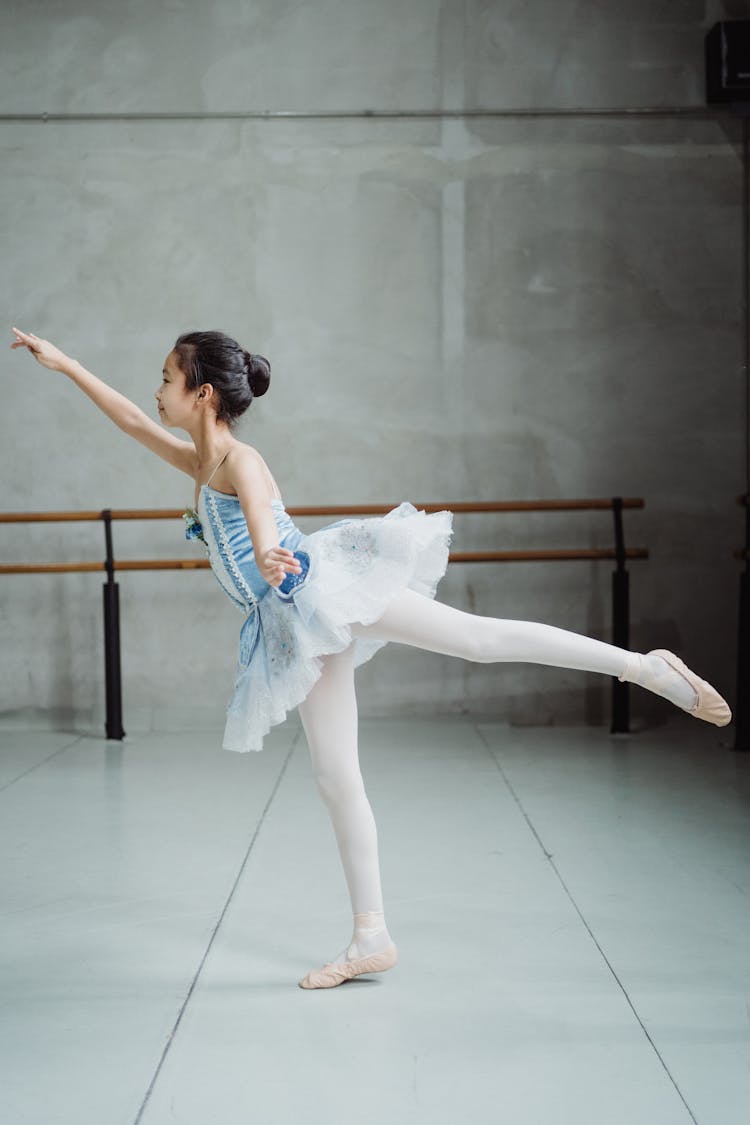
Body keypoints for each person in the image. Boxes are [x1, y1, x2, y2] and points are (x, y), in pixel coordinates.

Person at [10, 325, 732, 990]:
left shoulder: (241, 459)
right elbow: (133, 423)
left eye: (166, 377)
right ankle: (371, 936)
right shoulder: (201, 459)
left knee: (478, 640)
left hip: (323, 589)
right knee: (334, 774)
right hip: (294, 624)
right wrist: (67, 364)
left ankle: (645, 667)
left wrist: (268, 552)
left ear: (201, 393)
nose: (156, 390)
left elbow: (261, 511)